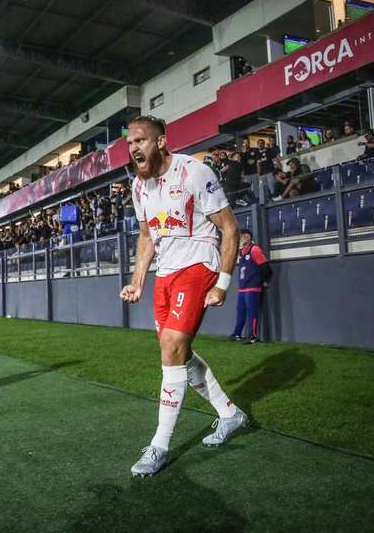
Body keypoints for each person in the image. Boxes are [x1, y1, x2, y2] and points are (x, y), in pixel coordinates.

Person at [122, 116, 247, 477]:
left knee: (171, 346)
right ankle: (230, 413)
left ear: (161, 142)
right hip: (166, 274)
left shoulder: (194, 172)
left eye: (140, 140)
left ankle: (159, 446)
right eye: (130, 143)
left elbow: (230, 228)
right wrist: (138, 281)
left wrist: (222, 282)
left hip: (198, 264)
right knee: (180, 353)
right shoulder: (138, 186)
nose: (133, 148)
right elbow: (147, 236)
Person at [231, 229, 272, 344]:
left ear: (247, 237)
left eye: (240, 237)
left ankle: (253, 335)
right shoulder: (241, 252)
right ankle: (237, 334)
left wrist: (265, 281)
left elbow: (266, 268)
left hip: (253, 286)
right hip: (243, 287)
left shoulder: (255, 250)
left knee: (252, 312)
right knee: (240, 311)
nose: (239, 239)